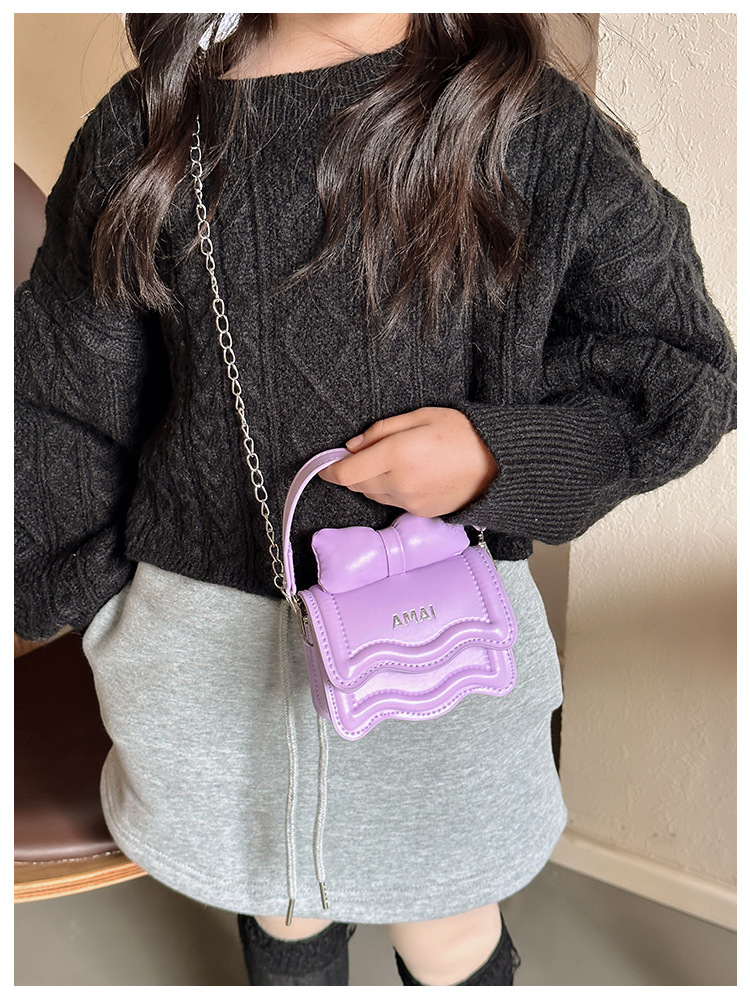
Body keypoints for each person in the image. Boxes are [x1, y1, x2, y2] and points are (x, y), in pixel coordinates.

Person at [14, 13, 736, 987]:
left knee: (447, 923)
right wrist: (84, 598)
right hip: (204, 649)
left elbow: (675, 370)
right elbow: (63, 400)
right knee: (280, 899)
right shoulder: (145, 127)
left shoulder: (527, 123)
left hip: (443, 643)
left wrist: (494, 457)